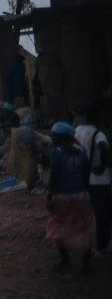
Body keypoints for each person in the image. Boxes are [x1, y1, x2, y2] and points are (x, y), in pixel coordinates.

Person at [46, 122, 95, 274]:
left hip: (62, 195)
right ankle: (86, 265)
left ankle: (65, 261)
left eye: (53, 135)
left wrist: (50, 195)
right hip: (81, 194)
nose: (52, 137)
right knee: (85, 227)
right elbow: (86, 174)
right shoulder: (81, 151)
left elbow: (55, 176)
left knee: (58, 226)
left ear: (60, 137)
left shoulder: (57, 152)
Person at [74, 108, 111, 255]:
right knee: (103, 215)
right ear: (98, 120)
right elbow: (104, 149)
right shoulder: (99, 134)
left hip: (83, 179)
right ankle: (101, 247)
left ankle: (86, 245)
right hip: (100, 180)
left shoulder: (77, 130)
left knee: (87, 214)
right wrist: (102, 164)